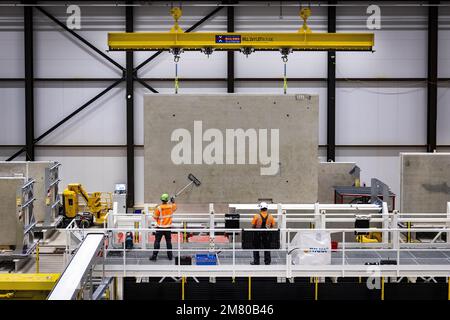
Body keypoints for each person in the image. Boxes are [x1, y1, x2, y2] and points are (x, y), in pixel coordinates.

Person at [150, 193, 177, 261]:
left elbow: (155, 217)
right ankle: (170, 256)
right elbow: (175, 207)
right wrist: (173, 201)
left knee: (157, 241)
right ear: (168, 200)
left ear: (161, 200)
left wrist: (158, 220)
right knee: (168, 242)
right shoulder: (171, 206)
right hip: (168, 227)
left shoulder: (159, 208)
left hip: (160, 227)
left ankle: (154, 256)